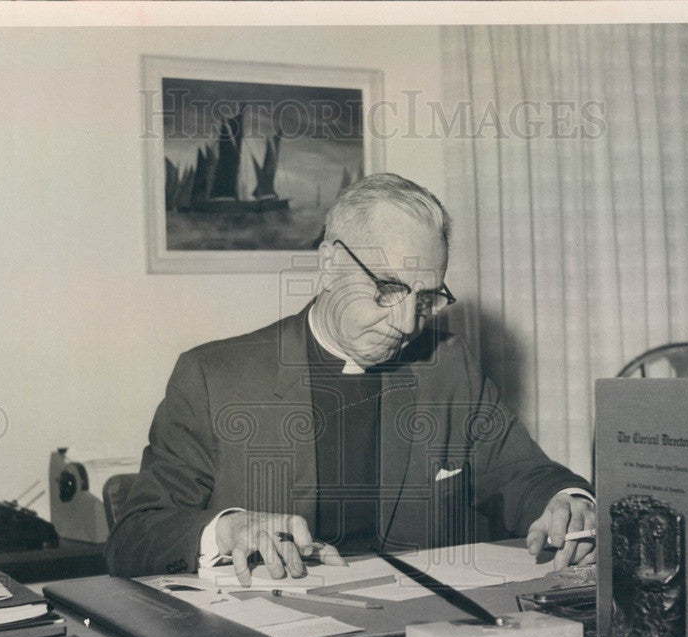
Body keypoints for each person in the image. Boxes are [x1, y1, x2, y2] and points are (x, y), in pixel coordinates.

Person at [106, 174, 595, 585]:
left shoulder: (448, 366)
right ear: (328, 266)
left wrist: (567, 502)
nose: (407, 324)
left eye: (426, 298)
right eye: (387, 289)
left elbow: (522, 473)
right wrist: (228, 529)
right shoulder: (213, 378)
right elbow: (133, 539)